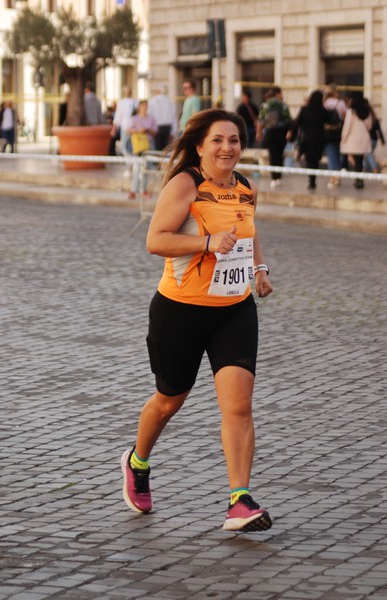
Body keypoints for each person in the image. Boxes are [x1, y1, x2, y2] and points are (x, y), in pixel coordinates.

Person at [121, 108, 274, 533]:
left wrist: (260, 270)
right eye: (219, 140)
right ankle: (137, 461)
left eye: (235, 141)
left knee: (239, 405)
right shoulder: (186, 184)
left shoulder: (246, 187)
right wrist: (206, 242)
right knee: (169, 399)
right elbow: (157, 240)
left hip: (234, 310)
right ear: (201, 146)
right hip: (181, 311)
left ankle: (239, 500)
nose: (228, 148)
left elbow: (249, 231)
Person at [287, 90, 329, 190]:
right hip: (319, 139)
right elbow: (328, 120)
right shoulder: (323, 110)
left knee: (309, 160)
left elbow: (296, 123)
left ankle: (311, 180)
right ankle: (313, 179)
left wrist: (291, 132)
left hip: (307, 139)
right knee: (315, 160)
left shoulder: (304, 109)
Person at [256, 86, 292, 188]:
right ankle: (279, 177)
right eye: (281, 93)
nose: (282, 96)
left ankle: (273, 178)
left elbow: (260, 121)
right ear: (277, 94)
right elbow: (289, 120)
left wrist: (259, 133)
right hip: (281, 133)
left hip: (270, 132)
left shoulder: (266, 105)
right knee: (280, 155)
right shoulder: (283, 105)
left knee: (272, 155)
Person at [126, 100, 157, 199]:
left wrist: (147, 130)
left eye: (145, 106)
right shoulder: (135, 119)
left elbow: (155, 132)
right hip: (138, 146)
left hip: (148, 145)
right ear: (139, 107)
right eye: (142, 106)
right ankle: (134, 190)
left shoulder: (151, 119)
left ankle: (144, 190)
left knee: (146, 168)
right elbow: (128, 130)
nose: (144, 108)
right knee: (137, 168)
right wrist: (137, 131)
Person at [340, 93, 372, 189]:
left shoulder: (351, 112)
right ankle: (359, 179)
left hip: (353, 139)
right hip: (363, 138)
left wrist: (343, 138)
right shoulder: (367, 112)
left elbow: (347, 127)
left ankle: (358, 179)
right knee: (360, 159)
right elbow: (369, 126)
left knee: (353, 159)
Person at [323, 84, 347, 189]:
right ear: (335, 93)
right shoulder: (340, 103)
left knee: (331, 155)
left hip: (327, 132)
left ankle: (333, 178)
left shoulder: (323, 103)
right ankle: (337, 176)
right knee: (337, 154)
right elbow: (345, 116)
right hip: (339, 131)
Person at [148, 84, 178, 151]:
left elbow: (150, 116)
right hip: (167, 128)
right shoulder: (171, 102)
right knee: (166, 150)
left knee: (157, 149)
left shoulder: (152, 101)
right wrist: (173, 132)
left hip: (156, 128)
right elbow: (174, 118)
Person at [111, 85, 138, 156]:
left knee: (130, 146)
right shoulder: (124, 102)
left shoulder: (134, 102)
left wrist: (114, 128)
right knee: (126, 146)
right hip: (126, 127)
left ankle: (131, 160)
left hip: (131, 128)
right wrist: (114, 128)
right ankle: (130, 161)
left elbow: (118, 116)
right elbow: (118, 116)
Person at [363, 99, 385, 173]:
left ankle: (374, 168)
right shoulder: (373, 116)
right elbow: (379, 130)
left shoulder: (364, 115)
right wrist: (382, 140)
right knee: (367, 154)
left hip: (368, 139)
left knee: (368, 154)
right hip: (374, 139)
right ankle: (365, 169)